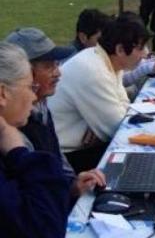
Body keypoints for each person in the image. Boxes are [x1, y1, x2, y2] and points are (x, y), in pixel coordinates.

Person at [5, 28, 106, 201]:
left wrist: (74, 183)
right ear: (26, 72)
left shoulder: (42, 104)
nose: (58, 73)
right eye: (48, 66)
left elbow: (57, 157)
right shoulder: (15, 126)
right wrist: (68, 190)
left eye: (57, 64)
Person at [48, 15, 149, 172]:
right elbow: (119, 129)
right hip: (65, 158)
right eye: (141, 48)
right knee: (142, 163)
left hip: (81, 146)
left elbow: (125, 109)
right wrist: (105, 125)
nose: (145, 54)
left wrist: (100, 126)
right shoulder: (93, 70)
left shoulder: (107, 61)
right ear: (120, 50)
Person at [0, 42, 70, 237]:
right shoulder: (12, 141)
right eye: (30, 87)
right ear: (2, 93)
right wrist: (18, 152)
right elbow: (47, 228)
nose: (33, 96)